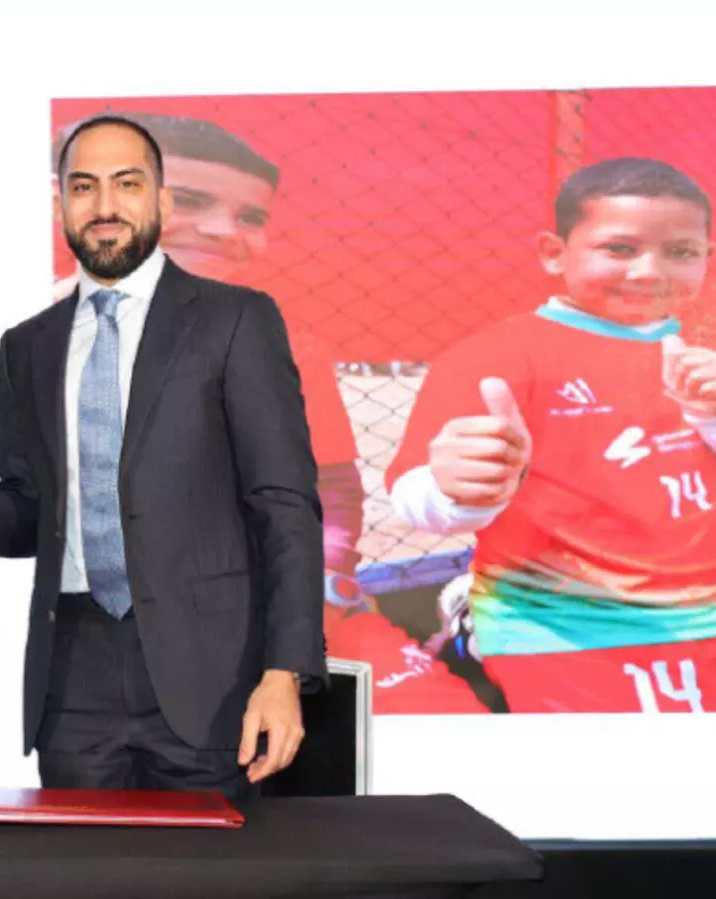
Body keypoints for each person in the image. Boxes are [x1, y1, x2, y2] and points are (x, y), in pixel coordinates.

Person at [0, 115, 325, 798]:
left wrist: (285, 672)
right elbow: (33, 511)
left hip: (214, 677)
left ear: (160, 199)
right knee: (83, 858)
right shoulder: (27, 346)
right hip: (73, 678)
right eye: (84, 186)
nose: (104, 206)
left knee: (212, 861)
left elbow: (285, 505)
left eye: (127, 184)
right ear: (61, 205)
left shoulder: (236, 319)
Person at [51, 112, 486, 714]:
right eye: (188, 200)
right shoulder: (21, 338)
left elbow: (327, 490)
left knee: (437, 712)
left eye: (250, 217)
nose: (224, 230)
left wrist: (321, 585)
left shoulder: (286, 344)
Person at [384, 157, 716, 713]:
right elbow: (415, 499)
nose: (649, 272)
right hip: (582, 624)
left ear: (706, 258)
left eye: (680, 252)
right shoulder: (499, 356)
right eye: (619, 249)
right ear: (555, 253)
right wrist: (460, 489)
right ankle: (471, 625)